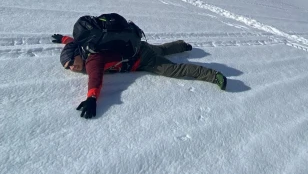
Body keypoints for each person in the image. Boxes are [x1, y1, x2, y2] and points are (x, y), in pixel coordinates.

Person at [52, 30, 227, 119]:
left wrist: (91, 99)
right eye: (68, 68)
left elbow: (95, 78)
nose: (72, 68)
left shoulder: (92, 60)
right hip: (139, 46)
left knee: (175, 70)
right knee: (161, 49)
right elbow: (72, 41)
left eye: (71, 64)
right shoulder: (81, 46)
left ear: (77, 56)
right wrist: (63, 39)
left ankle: (214, 75)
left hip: (142, 60)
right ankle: (181, 45)